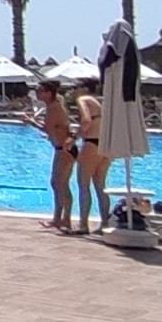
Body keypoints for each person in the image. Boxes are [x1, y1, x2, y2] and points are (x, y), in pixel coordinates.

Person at [25, 80, 76, 231]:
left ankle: (60, 219)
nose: (37, 93)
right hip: (63, 149)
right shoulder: (55, 105)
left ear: (48, 93)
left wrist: (31, 122)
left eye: (40, 91)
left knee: (59, 184)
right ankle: (63, 219)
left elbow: (47, 129)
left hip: (64, 150)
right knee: (60, 184)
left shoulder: (54, 108)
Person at [73, 78, 112, 234]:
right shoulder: (99, 102)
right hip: (105, 146)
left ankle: (83, 225)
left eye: (75, 87)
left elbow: (86, 121)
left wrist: (74, 137)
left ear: (83, 88)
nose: (73, 91)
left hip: (91, 144)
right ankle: (105, 224)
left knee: (83, 185)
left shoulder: (83, 99)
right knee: (101, 186)